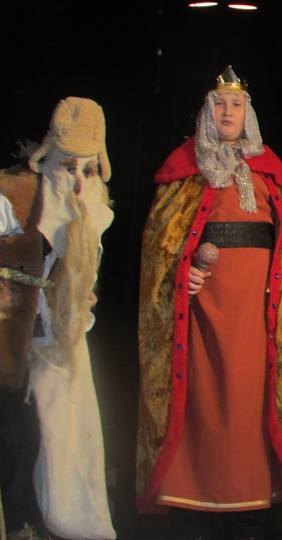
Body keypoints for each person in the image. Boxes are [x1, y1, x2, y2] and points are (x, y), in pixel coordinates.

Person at [137, 66, 282, 539]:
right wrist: (179, 275)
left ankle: (248, 506)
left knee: (250, 401)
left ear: (248, 114)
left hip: (255, 310)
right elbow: (161, 244)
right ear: (206, 113)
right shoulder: (184, 170)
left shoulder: (270, 172)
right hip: (202, 309)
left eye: (236, 105)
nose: (228, 113)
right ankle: (193, 505)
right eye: (219, 105)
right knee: (202, 401)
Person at [0, 97, 116, 540]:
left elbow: (85, 276)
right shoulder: (18, 194)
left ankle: (59, 519)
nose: (78, 180)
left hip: (64, 340)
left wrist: (81, 295)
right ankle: (23, 519)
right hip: (17, 339)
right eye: (68, 167)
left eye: (88, 169)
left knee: (67, 429)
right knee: (22, 435)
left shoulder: (94, 208)